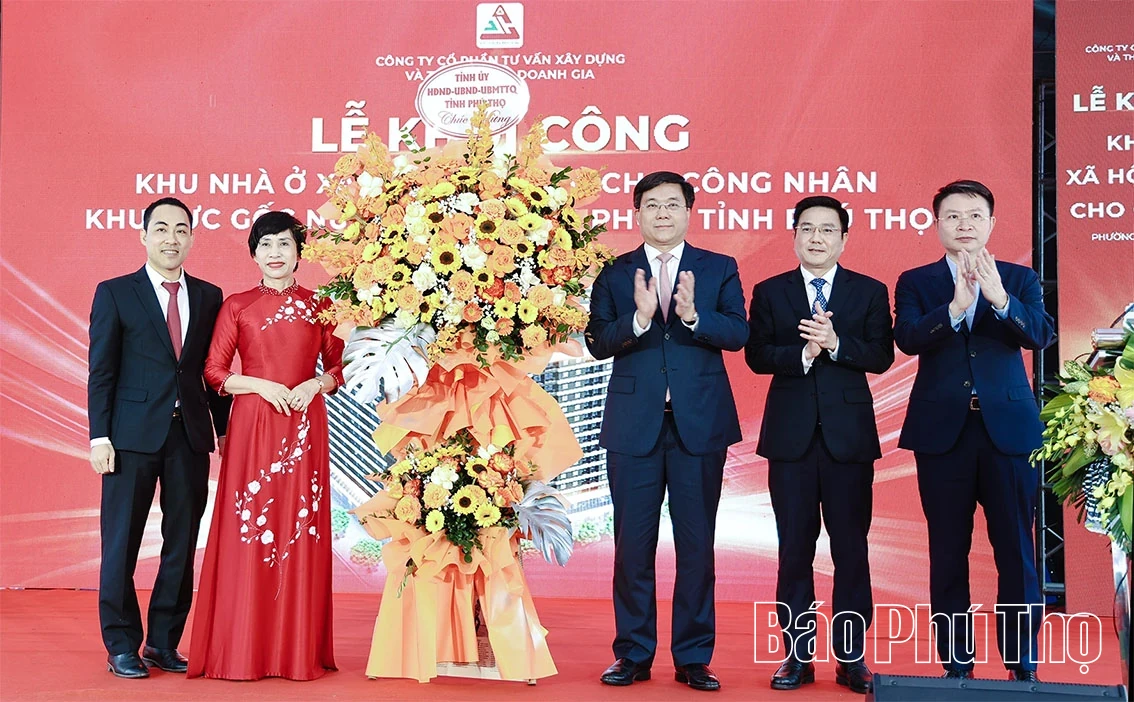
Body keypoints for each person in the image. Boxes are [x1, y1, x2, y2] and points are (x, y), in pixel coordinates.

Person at [585, 171, 748, 692]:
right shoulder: (614, 272)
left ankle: (693, 656)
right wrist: (638, 320)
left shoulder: (719, 268)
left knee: (697, 545)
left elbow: (739, 333)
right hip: (635, 428)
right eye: (651, 205)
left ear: (688, 211)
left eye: (671, 205)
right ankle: (632, 653)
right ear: (637, 213)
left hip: (699, 426)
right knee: (632, 546)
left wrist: (695, 316)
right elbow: (597, 341)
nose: (661, 214)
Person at [894, 180, 1054, 683]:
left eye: (974, 215)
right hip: (944, 434)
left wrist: (999, 299)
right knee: (947, 551)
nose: (964, 224)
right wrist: (956, 308)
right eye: (953, 216)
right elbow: (908, 340)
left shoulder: (1019, 277)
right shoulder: (917, 281)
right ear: (936, 223)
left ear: (991, 223)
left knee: (1016, 549)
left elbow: (1040, 335)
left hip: (1008, 431)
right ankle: (956, 664)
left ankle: (1022, 661)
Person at [745, 196, 893, 694]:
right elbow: (757, 356)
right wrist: (803, 352)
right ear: (793, 235)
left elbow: (881, 355)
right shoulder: (771, 291)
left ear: (844, 238)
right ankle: (795, 655)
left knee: (851, 549)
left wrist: (835, 344)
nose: (816, 237)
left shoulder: (869, 292)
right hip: (790, 441)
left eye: (827, 230)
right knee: (794, 550)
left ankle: (851, 657)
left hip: (848, 442)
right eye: (807, 228)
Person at [187, 211, 343, 680]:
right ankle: (243, 648)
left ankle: (295, 650)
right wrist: (258, 385)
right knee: (250, 529)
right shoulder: (237, 305)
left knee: (299, 526)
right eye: (266, 245)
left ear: (300, 252)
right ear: (253, 252)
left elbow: (338, 368)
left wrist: (315, 386)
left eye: (284, 244)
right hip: (255, 425)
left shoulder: (322, 306)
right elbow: (213, 372)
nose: (275, 254)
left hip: (304, 425)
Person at [88, 197, 231, 678]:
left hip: (189, 436)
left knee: (181, 542)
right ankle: (122, 644)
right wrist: (98, 437)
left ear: (192, 237)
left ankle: (163, 643)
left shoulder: (210, 296)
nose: (172, 238)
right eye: (162, 229)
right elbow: (101, 373)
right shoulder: (115, 292)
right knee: (121, 543)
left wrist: (225, 431)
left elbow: (211, 373)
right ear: (143, 235)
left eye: (182, 230)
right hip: (128, 439)